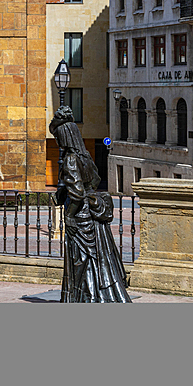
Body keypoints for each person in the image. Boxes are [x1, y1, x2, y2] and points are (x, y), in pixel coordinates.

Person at [51, 106, 131, 303]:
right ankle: (96, 296)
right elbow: (94, 181)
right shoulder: (85, 156)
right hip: (93, 217)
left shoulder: (70, 159)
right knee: (94, 259)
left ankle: (83, 298)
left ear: (64, 137)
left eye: (58, 137)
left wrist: (68, 216)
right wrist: (66, 191)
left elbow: (77, 194)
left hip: (79, 217)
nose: (57, 141)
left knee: (81, 260)